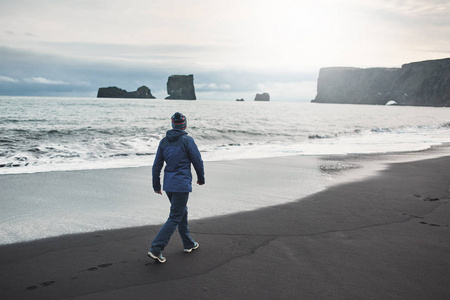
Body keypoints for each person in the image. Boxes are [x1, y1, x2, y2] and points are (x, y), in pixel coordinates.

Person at [147, 112, 205, 263]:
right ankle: (156, 248)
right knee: (175, 216)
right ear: (184, 125)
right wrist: (201, 178)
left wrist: (156, 184)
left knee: (181, 211)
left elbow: (157, 165)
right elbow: (197, 160)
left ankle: (188, 243)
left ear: (173, 125)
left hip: (169, 185)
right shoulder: (187, 140)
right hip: (181, 185)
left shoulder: (164, 142)